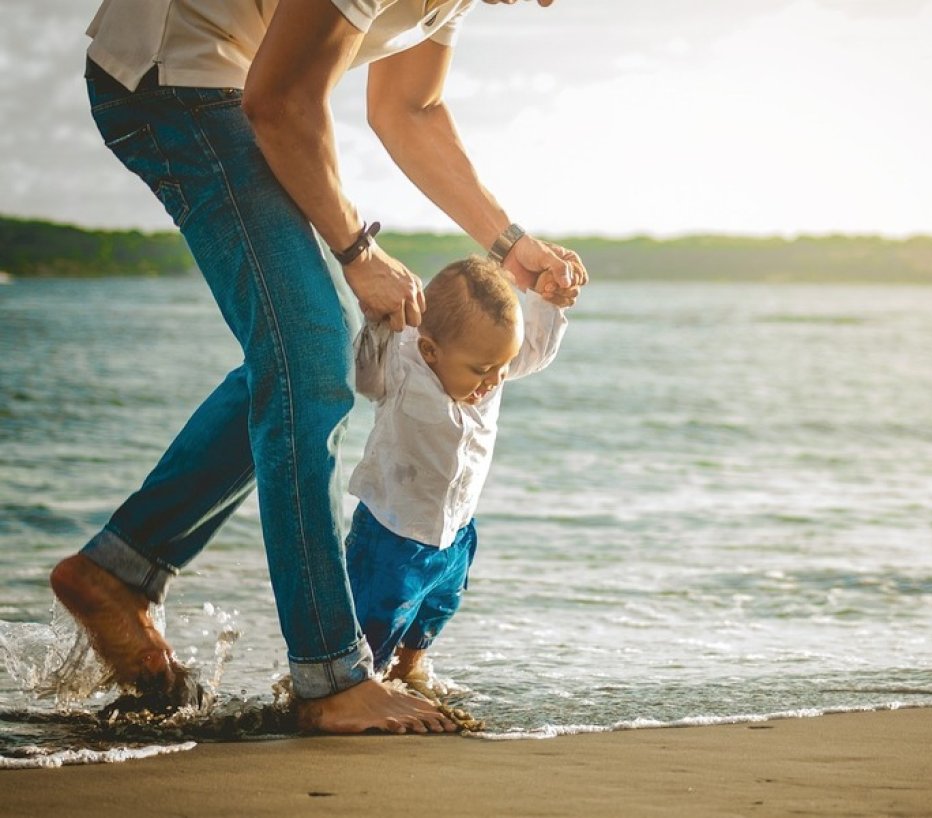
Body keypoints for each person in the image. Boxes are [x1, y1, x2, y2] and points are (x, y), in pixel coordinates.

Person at [49, 0, 588, 735]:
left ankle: (120, 570)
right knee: (309, 360)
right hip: (174, 80)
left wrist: (509, 243)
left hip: (229, 84)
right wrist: (357, 253)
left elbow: (413, 108)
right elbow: (280, 101)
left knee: (307, 361)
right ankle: (330, 676)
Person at [345, 256, 577, 706]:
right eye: (481, 370)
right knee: (374, 622)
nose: (493, 382)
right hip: (391, 534)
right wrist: (375, 321)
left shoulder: (491, 362)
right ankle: (358, 690)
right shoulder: (403, 362)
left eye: (502, 368)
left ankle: (410, 672)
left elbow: (535, 350)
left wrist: (548, 302)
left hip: (456, 532)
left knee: (438, 607)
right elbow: (361, 373)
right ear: (431, 350)